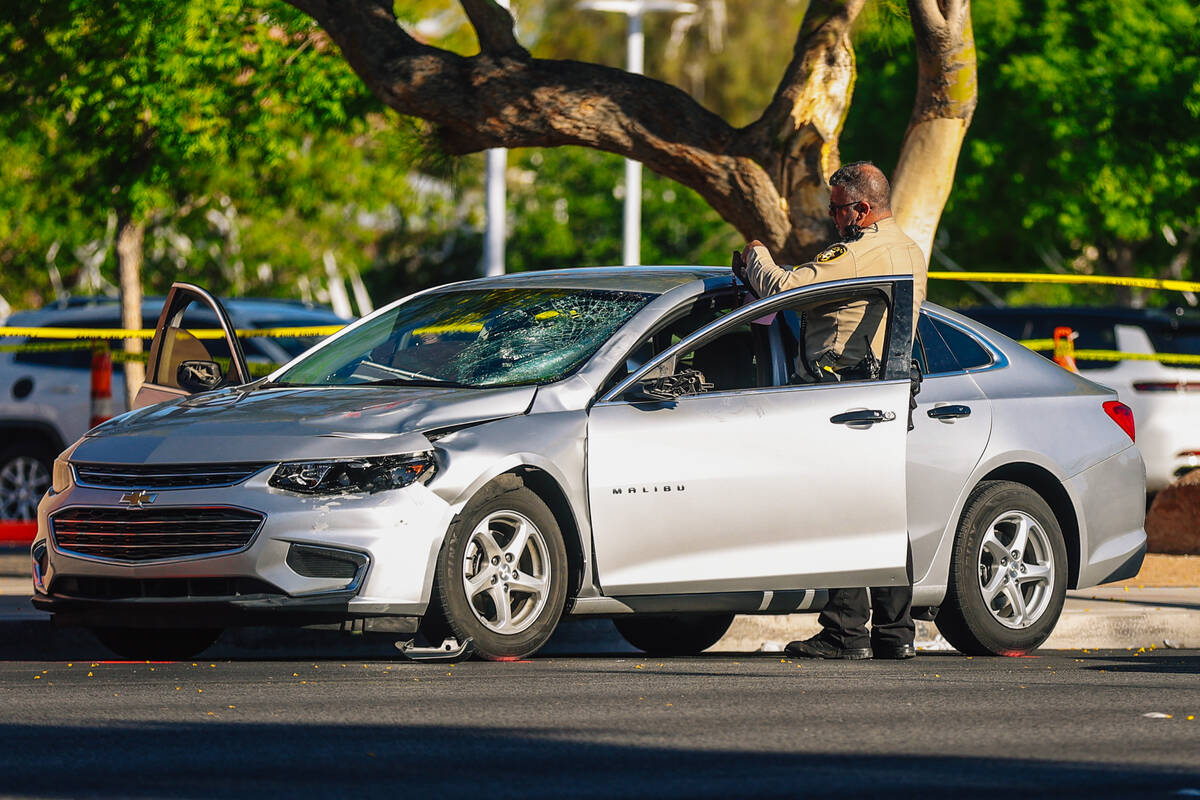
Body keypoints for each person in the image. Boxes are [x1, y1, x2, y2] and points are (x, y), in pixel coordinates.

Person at [735, 161, 927, 660]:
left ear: (862, 209)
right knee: (884, 514)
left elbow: (786, 290)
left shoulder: (862, 253)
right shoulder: (907, 247)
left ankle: (845, 632)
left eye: (839, 209)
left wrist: (756, 256)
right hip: (884, 392)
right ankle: (895, 633)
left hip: (845, 393)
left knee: (842, 513)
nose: (833, 218)